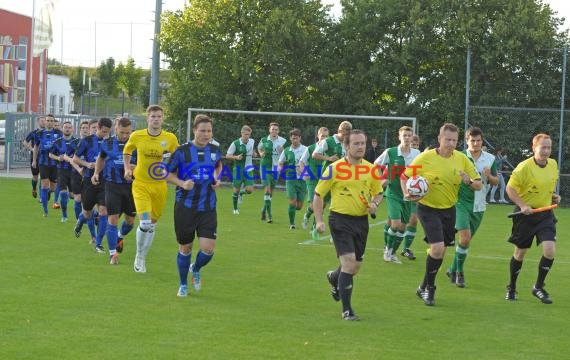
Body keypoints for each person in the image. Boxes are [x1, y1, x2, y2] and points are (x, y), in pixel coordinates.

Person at [401, 123, 481, 306]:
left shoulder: (461, 159)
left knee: (441, 251)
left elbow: (478, 184)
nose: (451, 143)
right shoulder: (425, 158)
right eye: (447, 139)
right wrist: (407, 193)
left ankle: (422, 286)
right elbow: (405, 177)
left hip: (449, 209)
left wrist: (468, 181)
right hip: (427, 208)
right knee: (437, 248)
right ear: (439, 139)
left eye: (454, 140)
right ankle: (430, 289)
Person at [314, 129, 383, 321]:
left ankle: (334, 278)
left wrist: (375, 204)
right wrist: (319, 220)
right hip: (339, 220)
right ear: (346, 146)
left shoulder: (370, 169)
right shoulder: (334, 168)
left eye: (363, 143)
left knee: (355, 267)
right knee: (349, 263)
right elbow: (318, 195)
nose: (361, 147)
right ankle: (347, 310)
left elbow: (378, 192)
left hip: (361, 222)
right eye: (356, 144)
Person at [166, 114, 222, 297]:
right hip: (185, 207)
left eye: (209, 131)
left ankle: (196, 268)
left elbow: (218, 166)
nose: (206, 134)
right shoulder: (182, 151)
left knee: (208, 249)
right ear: (194, 131)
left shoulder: (215, 149)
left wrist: (216, 178)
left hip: (207, 206)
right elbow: (167, 174)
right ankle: (183, 284)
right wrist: (182, 184)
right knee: (186, 248)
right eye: (203, 131)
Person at [504, 134, 560, 304]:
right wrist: (522, 205)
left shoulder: (553, 164)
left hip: (545, 215)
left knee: (550, 251)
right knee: (520, 253)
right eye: (543, 147)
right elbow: (510, 189)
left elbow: (547, 188)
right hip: (525, 216)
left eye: (549, 147)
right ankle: (512, 287)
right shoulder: (523, 167)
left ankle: (538, 287)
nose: (546, 151)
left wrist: (553, 197)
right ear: (534, 148)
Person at [123, 105, 179, 273]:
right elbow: (127, 150)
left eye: (159, 116)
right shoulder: (137, 135)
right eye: (153, 116)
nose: (156, 119)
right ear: (148, 118)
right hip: (140, 184)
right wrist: (127, 168)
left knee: (152, 225)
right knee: (145, 222)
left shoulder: (170, 138)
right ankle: (139, 256)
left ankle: (143, 256)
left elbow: (178, 158)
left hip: (160, 186)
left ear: (163, 119)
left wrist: (170, 170)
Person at [446, 127, 499, 287]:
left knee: (465, 242)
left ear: (482, 141)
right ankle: (459, 273)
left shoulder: (490, 159)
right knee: (465, 238)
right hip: (460, 203)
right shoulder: (459, 156)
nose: (475, 143)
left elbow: (496, 181)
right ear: (467, 141)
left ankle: (452, 268)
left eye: (478, 140)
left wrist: (489, 176)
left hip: (479, 205)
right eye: (472, 140)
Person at [93, 117, 136, 265]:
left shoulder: (135, 144)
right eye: (122, 132)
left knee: (130, 222)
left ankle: (120, 235)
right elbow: (101, 158)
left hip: (131, 187)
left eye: (128, 132)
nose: (125, 135)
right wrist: (96, 173)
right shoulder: (107, 143)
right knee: (112, 219)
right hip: (112, 185)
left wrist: (133, 169)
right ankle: (113, 254)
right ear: (116, 129)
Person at [374, 126, 420, 263]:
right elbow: (376, 165)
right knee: (395, 224)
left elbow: (422, 170)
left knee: (403, 227)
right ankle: (387, 249)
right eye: (404, 135)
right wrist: (381, 180)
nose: (407, 138)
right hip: (393, 193)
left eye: (409, 135)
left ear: (412, 137)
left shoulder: (417, 153)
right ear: (399, 137)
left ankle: (393, 252)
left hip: (409, 195)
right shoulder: (391, 152)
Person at [73, 117, 113, 252]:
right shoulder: (87, 141)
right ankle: (80, 220)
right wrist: (87, 164)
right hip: (89, 180)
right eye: (103, 131)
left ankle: (99, 243)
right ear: (98, 127)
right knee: (88, 214)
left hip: (106, 181)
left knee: (103, 211)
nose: (105, 134)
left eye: (107, 132)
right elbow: (75, 158)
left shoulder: (110, 142)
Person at [299, 127, 329, 233]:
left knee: (323, 205)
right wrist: (305, 172)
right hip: (312, 179)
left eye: (326, 136)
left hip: (325, 180)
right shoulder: (310, 148)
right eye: (322, 136)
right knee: (314, 204)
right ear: (318, 136)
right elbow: (302, 162)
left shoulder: (328, 150)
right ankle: (307, 215)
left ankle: (314, 226)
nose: (324, 138)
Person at [32, 114, 62, 217]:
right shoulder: (39, 134)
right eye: (47, 120)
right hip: (43, 163)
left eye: (51, 120)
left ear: (54, 122)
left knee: (53, 188)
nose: (49, 122)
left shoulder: (59, 133)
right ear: (45, 121)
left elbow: (63, 147)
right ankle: (45, 210)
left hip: (55, 164)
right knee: (44, 185)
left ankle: (49, 192)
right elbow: (36, 147)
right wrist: (34, 160)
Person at [278, 128, 307, 229]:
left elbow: (310, 161)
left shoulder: (305, 149)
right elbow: (280, 162)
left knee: (299, 206)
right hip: (290, 179)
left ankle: (303, 215)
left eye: (297, 138)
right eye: (293, 138)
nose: (295, 140)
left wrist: (305, 171)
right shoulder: (287, 150)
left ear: (300, 138)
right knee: (292, 202)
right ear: (290, 138)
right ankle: (292, 224)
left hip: (303, 180)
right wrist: (280, 169)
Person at [257, 122, 286, 223]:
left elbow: (286, 154)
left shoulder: (283, 141)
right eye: (272, 129)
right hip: (265, 166)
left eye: (276, 129)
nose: (274, 131)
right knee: (267, 189)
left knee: (271, 192)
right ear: (269, 130)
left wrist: (282, 151)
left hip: (275, 168)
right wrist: (261, 153)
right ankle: (269, 216)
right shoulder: (264, 140)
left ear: (278, 131)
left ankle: (264, 210)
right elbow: (259, 148)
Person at [48, 121, 77, 223]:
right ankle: (64, 215)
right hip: (61, 171)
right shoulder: (57, 142)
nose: (67, 129)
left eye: (69, 127)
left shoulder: (77, 142)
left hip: (74, 171)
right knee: (63, 194)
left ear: (72, 129)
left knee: (74, 196)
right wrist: (58, 158)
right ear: (62, 129)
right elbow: (50, 154)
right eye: (66, 127)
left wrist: (75, 158)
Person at [226, 125, 255, 215]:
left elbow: (251, 150)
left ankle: (241, 194)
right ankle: (235, 209)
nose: (247, 136)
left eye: (249, 134)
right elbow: (227, 155)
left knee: (249, 190)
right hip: (238, 169)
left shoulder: (252, 141)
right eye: (245, 134)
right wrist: (236, 157)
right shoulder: (235, 143)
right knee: (236, 190)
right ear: (241, 133)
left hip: (249, 168)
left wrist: (254, 153)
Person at [23, 115, 45, 199]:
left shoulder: (48, 133)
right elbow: (25, 142)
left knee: (43, 178)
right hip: (35, 158)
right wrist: (32, 149)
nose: (43, 122)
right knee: (35, 176)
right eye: (42, 120)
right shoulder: (33, 133)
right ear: (38, 122)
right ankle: (34, 188)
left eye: (44, 120)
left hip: (45, 159)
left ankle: (41, 196)